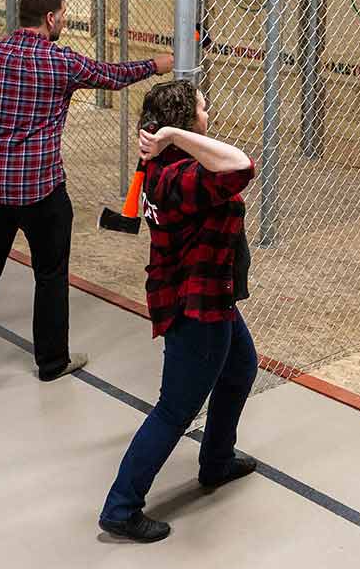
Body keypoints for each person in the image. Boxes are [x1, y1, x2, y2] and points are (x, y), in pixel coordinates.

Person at [0, 0, 171, 396]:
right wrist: (155, 64)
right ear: (50, 18)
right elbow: (111, 76)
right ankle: (52, 361)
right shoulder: (59, 61)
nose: (63, 19)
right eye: (62, 13)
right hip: (42, 191)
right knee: (50, 274)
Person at [98, 80, 259, 543]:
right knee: (174, 409)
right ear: (183, 124)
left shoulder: (166, 166)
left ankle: (217, 460)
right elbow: (241, 165)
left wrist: (172, 137)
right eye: (202, 110)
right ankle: (121, 507)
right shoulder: (179, 177)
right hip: (196, 305)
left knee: (240, 368)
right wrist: (174, 135)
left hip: (208, 294)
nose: (208, 115)